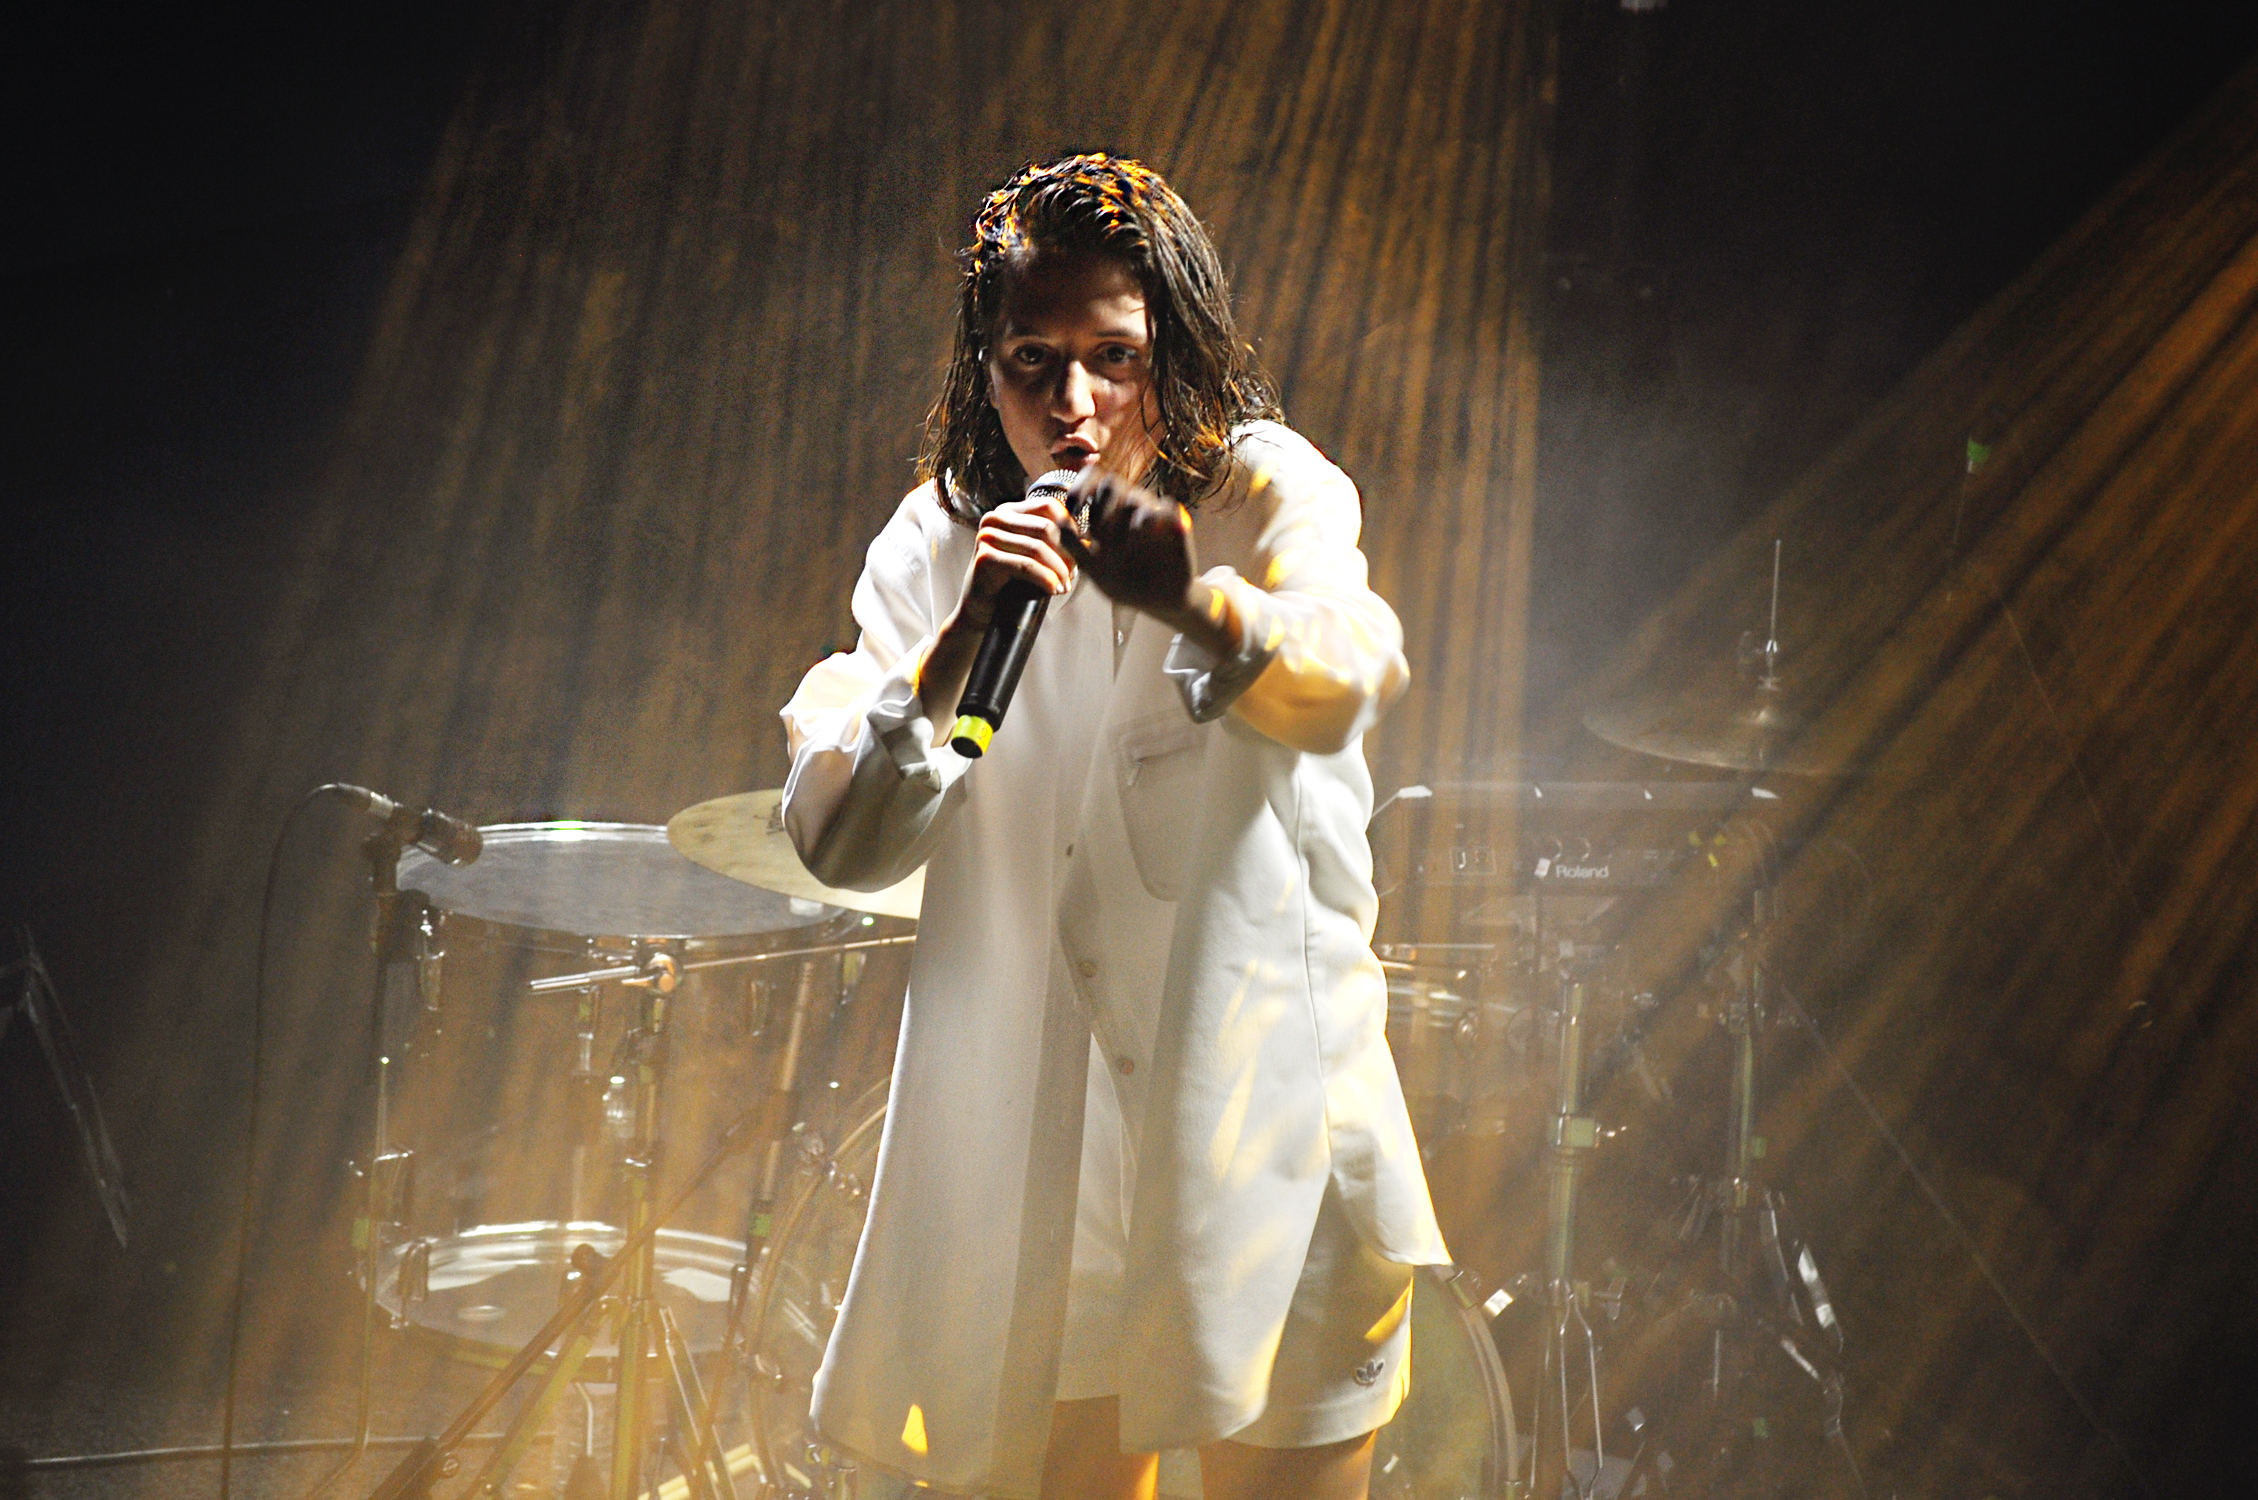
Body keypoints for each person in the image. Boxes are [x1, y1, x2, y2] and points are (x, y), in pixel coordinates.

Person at [780, 153, 1447, 1500]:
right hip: (1046, 1176)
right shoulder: (936, 543)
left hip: (1273, 1143)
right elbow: (845, 846)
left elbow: (1349, 672)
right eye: (1032, 361)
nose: (1071, 405)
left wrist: (1189, 601)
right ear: (985, 369)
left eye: (1114, 359)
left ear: (1174, 353)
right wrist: (962, 637)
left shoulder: (1265, 493)